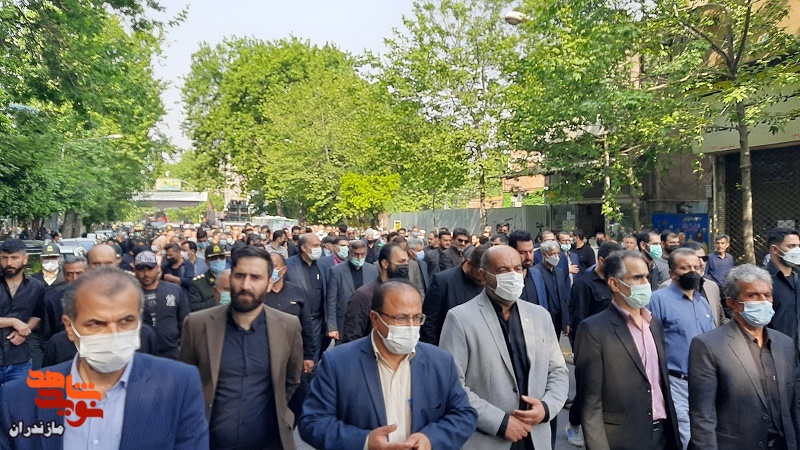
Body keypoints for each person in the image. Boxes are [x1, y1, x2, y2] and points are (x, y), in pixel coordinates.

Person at [0, 267, 209, 449]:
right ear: (69, 327)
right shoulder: (17, 398)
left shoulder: (179, 385)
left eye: (126, 321)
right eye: (96, 323)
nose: (113, 334)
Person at [299, 281, 478, 449]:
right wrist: (365, 442)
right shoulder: (338, 363)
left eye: (417, 318)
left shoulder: (440, 362)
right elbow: (312, 422)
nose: (411, 326)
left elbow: (464, 415)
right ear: (375, 319)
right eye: (401, 318)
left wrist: (430, 439)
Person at [439, 245, 569, 450]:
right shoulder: (460, 319)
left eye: (517, 269)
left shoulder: (540, 316)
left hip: (535, 436)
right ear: (483, 275)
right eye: (503, 270)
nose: (514, 276)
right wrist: (500, 422)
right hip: (489, 439)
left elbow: (558, 370)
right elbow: (452, 386)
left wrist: (546, 407)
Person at [180, 246, 303, 450]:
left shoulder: (288, 326)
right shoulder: (197, 325)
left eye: (256, 277)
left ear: (269, 283)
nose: (246, 285)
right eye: (239, 276)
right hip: (209, 442)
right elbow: (184, 383)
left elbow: (292, 381)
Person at [575, 250, 681, 450]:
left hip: (662, 435)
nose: (645, 283)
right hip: (622, 438)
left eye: (647, 277)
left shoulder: (654, 324)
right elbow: (590, 402)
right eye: (637, 278)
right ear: (615, 284)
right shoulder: (593, 330)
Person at [689, 264, 799, 449]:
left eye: (767, 295)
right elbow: (702, 415)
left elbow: (794, 402)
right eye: (753, 296)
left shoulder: (785, 344)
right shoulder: (708, 345)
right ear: (732, 303)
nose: (763, 301)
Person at [648, 248, 716, 449]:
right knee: (685, 435)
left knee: (704, 432)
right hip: (676, 380)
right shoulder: (658, 300)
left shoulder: (702, 302)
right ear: (672, 273)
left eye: (696, 267)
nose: (692, 272)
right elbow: (651, 342)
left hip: (705, 381)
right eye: (685, 268)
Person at [566, 241, 623, 446]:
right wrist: (580, 351)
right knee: (587, 391)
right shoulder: (584, 285)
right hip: (591, 347)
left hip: (616, 345)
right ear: (601, 261)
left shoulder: (617, 282)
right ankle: (574, 424)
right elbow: (579, 321)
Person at [420, 244, 487, 345]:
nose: (483, 279)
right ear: (469, 263)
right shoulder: (443, 281)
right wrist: (434, 351)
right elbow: (429, 323)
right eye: (480, 274)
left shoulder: (488, 283)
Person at [342, 243, 408, 343]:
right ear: (385, 264)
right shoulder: (364, 296)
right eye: (401, 262)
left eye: (407, 262)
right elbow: (352, 338)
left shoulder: (407, 294)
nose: (405, 266)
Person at [0, 239, 45, 384]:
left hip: (20, 360)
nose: (9, 263)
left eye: (14, 258)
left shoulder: (36, 287)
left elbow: (38, 316)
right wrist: (13, 321)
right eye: (4, 258)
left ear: (25, 259)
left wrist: (24, 330)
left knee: (19, 398)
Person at [133, 250, 189, 359]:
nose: (146, 274)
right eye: (141, 269)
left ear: (158, 268)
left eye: (150, 269)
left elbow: (184, 321)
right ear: (135, 270)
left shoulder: (174, 290)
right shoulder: (129, 294)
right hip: (141, 352)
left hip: (170, 351)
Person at [285, 233, 331, 363]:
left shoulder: (323, 265)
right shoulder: (289, 265)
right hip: (295, 319)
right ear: (304, 248)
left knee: (313, 356)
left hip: (317, 320)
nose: (319, 249)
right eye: (315, 246)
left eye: (319, 245)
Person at [267, 253, 315, 375]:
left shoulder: (297, 292)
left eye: (274, 266)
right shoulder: (259, 293)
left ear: (283, 270)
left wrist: (308, 356)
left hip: (293, 354)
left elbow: (306, 326)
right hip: (266, 354)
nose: (269, 269)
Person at [660, 242, 727, 326]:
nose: (701, 263)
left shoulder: (712, 286)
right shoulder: (664, 289)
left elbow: (720, 319)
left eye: (704, 258)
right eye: (697, 258)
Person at [326, 240, 379, 344]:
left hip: (366, 322)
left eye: (362, 254)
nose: (359, 257)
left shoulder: (373, 270)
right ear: (349, 253)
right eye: (356, 254)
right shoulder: (336, 271)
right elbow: (331, 301)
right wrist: (332, 327)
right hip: (344, 322)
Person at [765, 227, 800, 352]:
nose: (797, 250)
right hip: (775, 352)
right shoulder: (762, 281)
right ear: (775, 249)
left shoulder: (798, 278)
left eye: (798, 246)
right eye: (791, 246)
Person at [532, 240, 570, 338]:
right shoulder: (535, 272)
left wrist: (566, 321)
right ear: (544, 255)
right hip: (544, 318)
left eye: (558, 254)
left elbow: (564, 297)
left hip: (558, 319)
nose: (556, 257)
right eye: (553, 254)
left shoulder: (559, 272)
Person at [507, 231, 547, 308]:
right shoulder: (505, 278)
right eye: (522, 252)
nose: (528, 257)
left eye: (531, 251)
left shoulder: (537, 274)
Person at [187, 243, 228, 312]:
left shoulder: (233, 278)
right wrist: (214, 300)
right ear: (206, 262)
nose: (218, 260)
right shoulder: (197, 284)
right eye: (214, 258)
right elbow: (194, 308)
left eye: (221, 258)